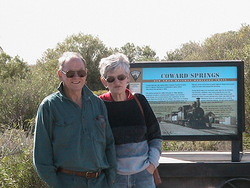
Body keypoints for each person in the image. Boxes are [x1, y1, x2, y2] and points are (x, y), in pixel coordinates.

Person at [33, 52, 116, 188]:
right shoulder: (49, 106)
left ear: (86, 73)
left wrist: (110, 179)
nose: (76, 77)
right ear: (60, 74)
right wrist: (57, 184)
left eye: (81, 73)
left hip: (100, 182)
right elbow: (41, 156)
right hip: (68, 182)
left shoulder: (97, 103)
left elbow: (109, 144)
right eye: (71, 73)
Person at [98, 53, 162, 188]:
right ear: (104, 81)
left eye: (121, 77)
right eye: (111, 79)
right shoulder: (99, 105)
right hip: (114, 178)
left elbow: (155, 136)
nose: (117, 82)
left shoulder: (139, 101)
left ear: (128, 78)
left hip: (143, 176)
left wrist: (151, 165)